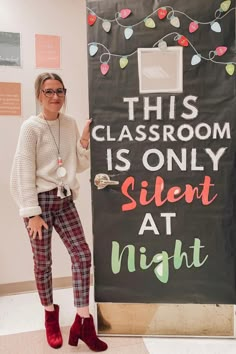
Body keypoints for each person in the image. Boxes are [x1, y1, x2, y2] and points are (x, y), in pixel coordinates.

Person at [10, 72, 108, 351]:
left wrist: (84, 142)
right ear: (39, 95)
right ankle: (50, 315)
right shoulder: (31, 127)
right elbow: (23, 170)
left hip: (64, 201)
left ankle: (83, 321)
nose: (56, 97)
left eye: (60, 91)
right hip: (38, 204)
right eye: (49, 91)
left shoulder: (70, 124)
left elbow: (77, 163)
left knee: (82, 255)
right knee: (43, 264)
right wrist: (32, 213)